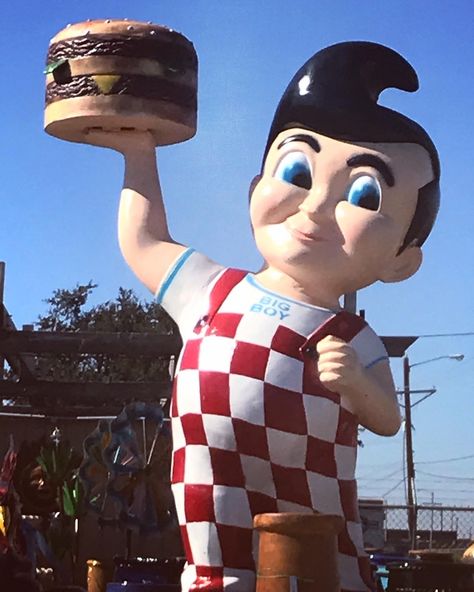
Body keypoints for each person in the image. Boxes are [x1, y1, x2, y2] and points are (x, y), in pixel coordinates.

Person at [86, 41, 439, 592]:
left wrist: (355, 384)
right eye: (297, 170)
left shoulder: (351, 334)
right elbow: (143, 238)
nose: (316, 204)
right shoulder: (210, 290)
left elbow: (388, 419)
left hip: (320, 551)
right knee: (218, 568)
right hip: (214, 535)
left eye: (363, 194)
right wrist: (139, 155)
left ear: (401, 261)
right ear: (256, 189)